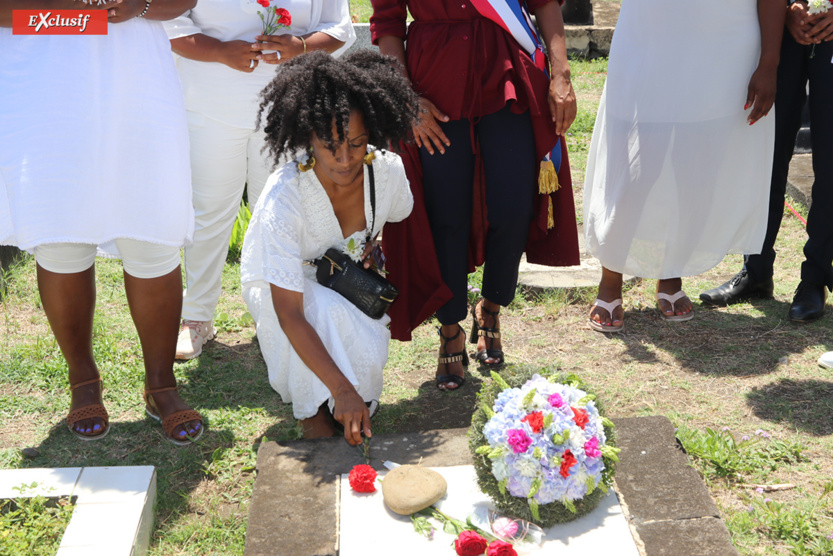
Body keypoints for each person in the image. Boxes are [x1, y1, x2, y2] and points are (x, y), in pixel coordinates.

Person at [0, 0, 203, 444]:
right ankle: (83, 381)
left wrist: (140, 5)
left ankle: (161, 384)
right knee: (61, 232)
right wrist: (73, 12)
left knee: (152, 230)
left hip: (135, 81)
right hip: (44, 86)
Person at [371, 0, 580, 390]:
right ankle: (450, 329)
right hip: (433, 82)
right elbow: (388, 23)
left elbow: (544, 4)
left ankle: (492, 307)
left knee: (513, 207)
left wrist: (560, 72)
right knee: (446, 215)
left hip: (506, 75)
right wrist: (405, 97)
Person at [240, 50, 417, 445]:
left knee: (341, 316)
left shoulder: (386, 172)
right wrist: (341, 389)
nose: (343, 158)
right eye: (329, 144)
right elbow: (289, 311)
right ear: (307, 138)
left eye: (356, 143)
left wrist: (379, 246)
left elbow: (402, 217)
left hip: (344, 278)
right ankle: (312, 413)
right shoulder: (285, 193)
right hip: (278, 281)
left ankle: (350, 401)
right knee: (321, 310)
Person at [163, 0, 356, 360]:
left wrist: (300, 47)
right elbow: (170, 23)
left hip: (288, 107)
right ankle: (197, 317)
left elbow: (339, 27)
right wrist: (219, 51)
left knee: (285, 219)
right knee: (209, 212)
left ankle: (283, 316)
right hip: (211, 104)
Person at [584, 0, 784, 332]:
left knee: (697, 164)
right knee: (636, 164)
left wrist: (770, 62)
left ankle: (670, 272)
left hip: (725, 42)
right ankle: (610, 276)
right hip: (649, 35)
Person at [700, 1, 833, 328]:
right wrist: (785, 10)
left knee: (830, 160)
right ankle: (756, 270)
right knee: (766, 150)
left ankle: (815, 278)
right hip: (781, 29)